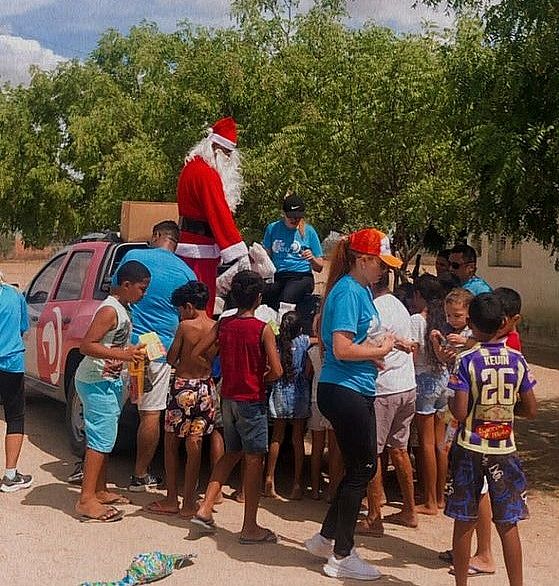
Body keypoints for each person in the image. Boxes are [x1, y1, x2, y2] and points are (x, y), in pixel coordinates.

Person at [304, 228, 401, 581]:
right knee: (362, 469)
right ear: (363, 260)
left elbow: (354, 344)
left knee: (361, 467)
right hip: (344, 389)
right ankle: (342, 553)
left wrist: (375, 353)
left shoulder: (357, 290)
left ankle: (326, 538)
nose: (385, 271)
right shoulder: (348, 291)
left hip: (352, 386)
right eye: (381, 264)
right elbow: (341, 347)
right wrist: (379, 351)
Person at [445, 292, 537, 586]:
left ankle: (461, 582)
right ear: (503, 323)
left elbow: (459, 411)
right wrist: (508, 410)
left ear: (470, 323)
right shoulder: (517, 360)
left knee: (464, 520)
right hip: (504, 448)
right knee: (508, 523)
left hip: (470, 446)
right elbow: (531, 409)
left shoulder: (466, 360)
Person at [191, 271, 283, 544]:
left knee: (231, 453)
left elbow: (198, 351)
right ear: (258, 297)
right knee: (254, 460)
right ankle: (250, 526)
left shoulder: (224, 323)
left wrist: (214, 371)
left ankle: (205, 507)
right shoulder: (262, 328)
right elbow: (277, 371)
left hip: (227, 396)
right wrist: (259, 378)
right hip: (251, 400)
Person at [118, 221, 197, 492]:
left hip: (124, 346)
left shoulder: (133, 257)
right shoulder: (187, 271)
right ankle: (140, 475)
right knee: (150, 414)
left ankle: (93, 468)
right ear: (176, 242)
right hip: (159, 353)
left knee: (108, 409)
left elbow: (116, 290)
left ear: (156, 236)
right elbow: (189, 313)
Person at [74, 261, 150, 522]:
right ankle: (86, 500)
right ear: (126, 285)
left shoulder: (123, 308)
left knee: (105, 437)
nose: (144, 294)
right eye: (142, 288)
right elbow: (87, 346)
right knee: (100, 440)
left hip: (109, 381)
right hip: (96, 382)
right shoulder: (109, 310)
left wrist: (131, 356)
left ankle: (100, 490)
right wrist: (123, 354)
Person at [145, 281, 216, 518]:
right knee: (195, 444)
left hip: (183, 387)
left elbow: (172, 358)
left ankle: (171, 498)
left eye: (180, 309)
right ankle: (189, 502)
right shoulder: (216, 326)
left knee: (171, 444)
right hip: (205, 387)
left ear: (188, 306)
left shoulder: (185, 327)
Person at [356, 271, 418, 537]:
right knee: (399, 450)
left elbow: (366, 344)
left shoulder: (375, 309)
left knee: (373, 452)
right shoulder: (399, 306)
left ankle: (374, 516)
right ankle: (409, 510)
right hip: (407, 384)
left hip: (384, 388)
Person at [176, 116, 249, 315]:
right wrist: (238, 250)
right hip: (201, 250)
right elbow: (218, 213)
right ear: (216, 148)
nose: (229, 159)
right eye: (226, 153)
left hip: (189, 244)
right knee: (202, 306)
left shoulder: (191, 168)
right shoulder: (207, 174)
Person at [410, 274, 448, 515]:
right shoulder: (442, 318)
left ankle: (430, 500)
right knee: (440, 443)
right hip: (443, 378)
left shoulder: (416, 319)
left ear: (419, 296)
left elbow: (413, 354)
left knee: (425, 443)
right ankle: (441, 496)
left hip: (424, 380)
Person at [264, 311, 311, 500]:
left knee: (276, 437)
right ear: (300, 328)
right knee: (297, 440)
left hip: (280, 392)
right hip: (299, 393)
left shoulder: (276, 344)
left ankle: (269, 478)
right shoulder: (304, 342)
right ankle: (297, 484)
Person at [262, 193, 324, 310]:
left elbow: (320, 267)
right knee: (263, 295)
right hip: (279, 275)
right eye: (291, 216)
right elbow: (266, 256)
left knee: (286, 298)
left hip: (301, 275)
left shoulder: (309, 231)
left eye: (298, 217)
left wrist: (312, 259)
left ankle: (285, 325)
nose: (294, 220)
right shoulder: (272, 228)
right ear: (284, 214)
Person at [0, 275, 32, 492]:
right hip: (11, 363)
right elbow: (23, 328)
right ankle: (10, 475)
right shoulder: (14, 295)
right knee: (15, 417)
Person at [308, 323, 343, 503]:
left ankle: (314, 488)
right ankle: (332, 489)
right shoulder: (336, 350)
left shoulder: (313, 352)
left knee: (316, 447)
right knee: (335, 448)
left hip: (316, 398)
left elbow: (307, 373)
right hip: (332, 396)